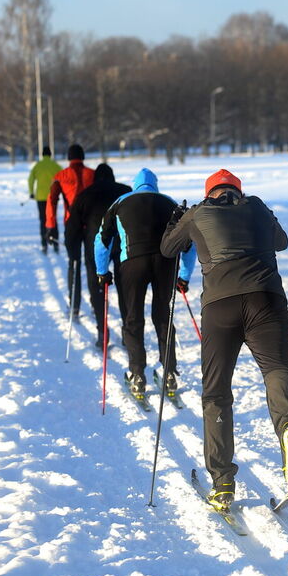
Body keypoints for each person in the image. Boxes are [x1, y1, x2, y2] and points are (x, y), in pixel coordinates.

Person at [161, 168, 288, 511]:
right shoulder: (256, 206)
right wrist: (261, 215)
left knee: (216, 392)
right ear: (237, 192)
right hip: (266, 300)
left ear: (210, 192)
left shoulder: (198, 212)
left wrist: (176, 220)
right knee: (278, 369)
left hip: (220, 307)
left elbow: (168, 249)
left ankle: (223, 481)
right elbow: (281, 242)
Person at [94, 168, 187, 401]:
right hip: (165, 263)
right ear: (155, 185)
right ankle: (169, 373)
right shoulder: (170, 203)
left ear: (135, 185)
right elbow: (189, 242)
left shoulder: (120, 202)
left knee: (133, 317)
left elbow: (102, 239)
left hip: (132, 264)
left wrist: (101, 271)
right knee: (163, 315)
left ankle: (137, 375)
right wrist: (184, 275)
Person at [66, 163, 130, 347]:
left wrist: (73, 253)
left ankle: (103, 331)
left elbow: (72, 228)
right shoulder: (125, 191)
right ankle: (128, 331)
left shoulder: (85, 195)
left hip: (96, 246)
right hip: (124, 244)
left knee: (97, 286)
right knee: (125, 287)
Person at [46, 144, 94, 315]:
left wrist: (51, 225)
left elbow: (51, 200)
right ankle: (96, 305)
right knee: (92, 264)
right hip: (90, 225)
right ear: (83, 157)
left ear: (68, 157)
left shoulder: (60, 176)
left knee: (74, 264)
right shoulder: (93, 174)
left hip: (71, 225)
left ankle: (74, 305)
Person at [27, 146, 61, 254]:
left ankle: (44, 244)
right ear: (50, 154)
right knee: (53, 219)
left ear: (42, 155)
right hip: (53, 197)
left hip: (41, 197)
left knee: (43, 220)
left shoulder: (37, 166)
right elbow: (63, 178)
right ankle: (55, 243)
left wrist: (31, 192)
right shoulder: (55, 166)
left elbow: (30, 179)